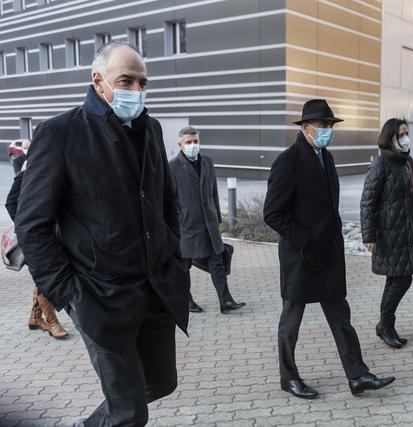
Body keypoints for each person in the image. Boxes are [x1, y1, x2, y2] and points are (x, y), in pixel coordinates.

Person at [15, 42, 190, 426]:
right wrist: (69, 294)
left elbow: (166, 203)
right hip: (98, 297)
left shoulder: (151, 128)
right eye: (126, 80)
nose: (136, 90)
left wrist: (173, 257)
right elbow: (31, 224)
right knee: (130, 413)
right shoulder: (60, 134)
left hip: (154, 288)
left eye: (143, 82)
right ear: (99, 82)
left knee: (160, 383)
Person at [264, 99, 395, 399]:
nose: (328, 131)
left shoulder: (327, 157)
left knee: (340, 317)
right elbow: (273, 213)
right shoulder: (287, 162)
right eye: (324, 126)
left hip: (329, 256)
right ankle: (289, 377)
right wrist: (305, 239)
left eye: (330, 125)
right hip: (301, 257)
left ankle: (358, 376)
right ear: (306, 128)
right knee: (291, 321)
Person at [360, 118, 413, 349]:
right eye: (401, 134)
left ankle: (385, 325)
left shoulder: (407, 162)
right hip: (386, 233)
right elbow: (367, 202)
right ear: (389, 137)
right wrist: (369, 236)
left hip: (404, 231)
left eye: (406, 133)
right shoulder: (380, 164)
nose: (405, 138)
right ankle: (386, 324)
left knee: (396, 278)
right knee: (402, 279)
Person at [169, 126, 245, 314]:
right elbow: (169, 199)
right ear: (180, 145)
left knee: (217, 263)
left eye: (195, 141)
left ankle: (226, 301)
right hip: (186, 226)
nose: (193, 145)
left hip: (209, 225)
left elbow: (213, 193)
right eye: (189, 142)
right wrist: (177, 220)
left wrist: (217, 217)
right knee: (183, 267)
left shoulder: (208, 162)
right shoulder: (172, 167)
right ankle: (186, 301)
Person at [5, 166, 68, 339]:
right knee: (44, 277)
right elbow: (11, 202)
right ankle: (52, 321)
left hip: (58, 236)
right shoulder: (27, 171)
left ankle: (35, 317)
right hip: (36, 239)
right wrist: (27, 228)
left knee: (42, 277)